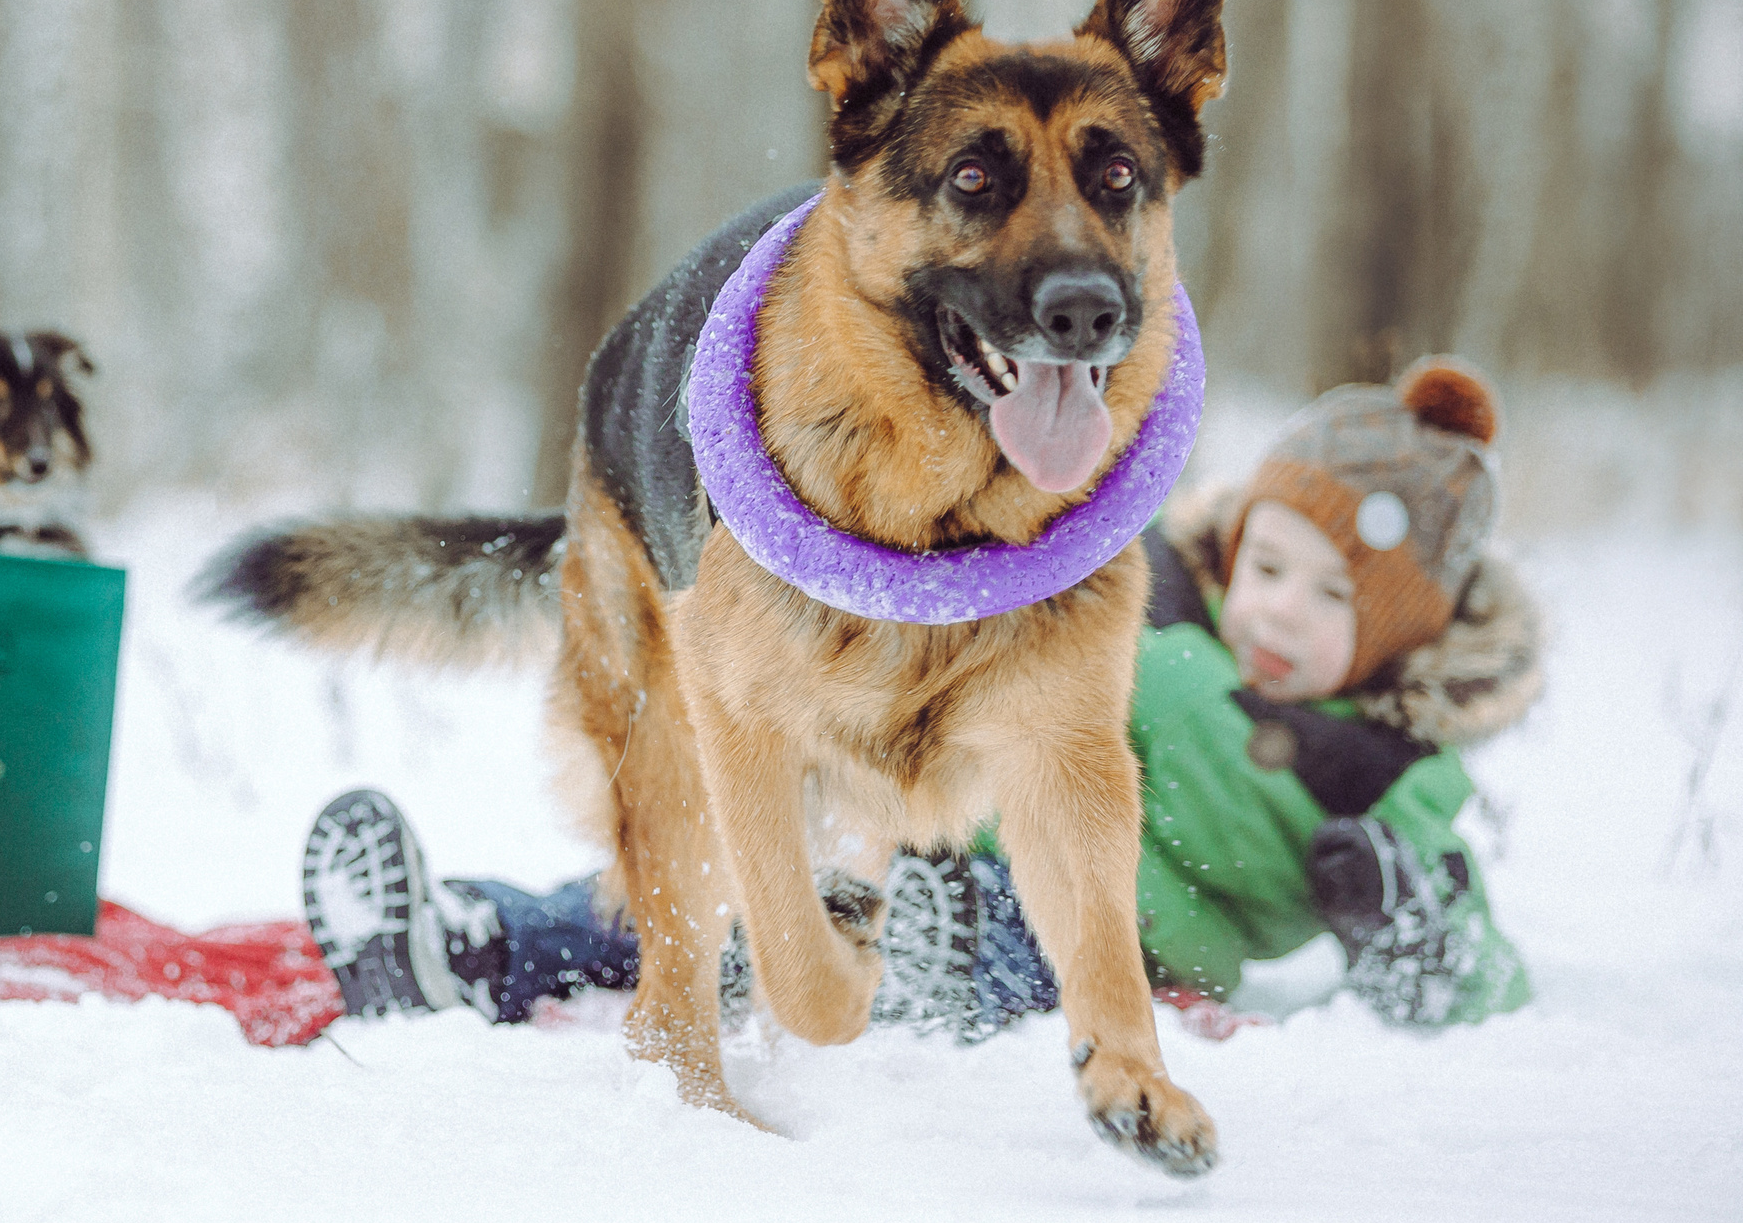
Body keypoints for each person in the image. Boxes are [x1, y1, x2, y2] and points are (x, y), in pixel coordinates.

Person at [299, 357, 1539, 1035]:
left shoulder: (1390, 770)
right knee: (731, 879)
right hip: (936, 835)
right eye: (1269, 566)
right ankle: (466, 938)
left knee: (1002, 937)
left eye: (1329, 601)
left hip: (1103, 941)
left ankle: (930, 979)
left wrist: (1408, 922)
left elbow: (1481, 971)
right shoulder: (1139, 597)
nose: (1276, 611)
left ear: (1393, 639)